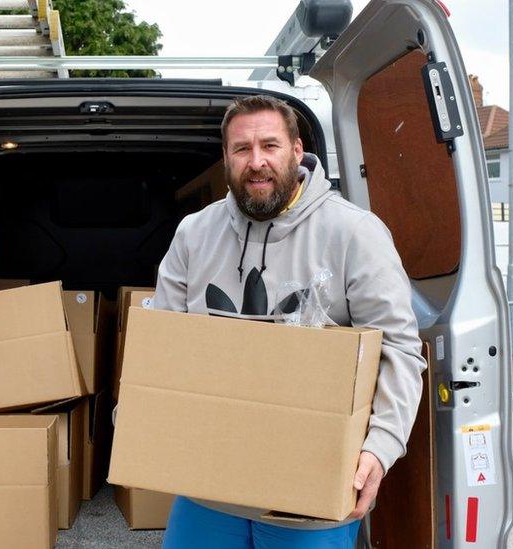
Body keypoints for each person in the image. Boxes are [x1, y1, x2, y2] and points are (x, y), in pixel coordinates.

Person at [151, 94, 427, 548]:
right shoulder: (194, 234)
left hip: (310, 495)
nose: (256, 162)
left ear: (297, 151)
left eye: (270, 146)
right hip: (209, 486)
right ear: (226, 158)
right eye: (241, 149)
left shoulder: (354, 233)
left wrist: (380, 448)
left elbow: (397, 348)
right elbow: (163, 345)